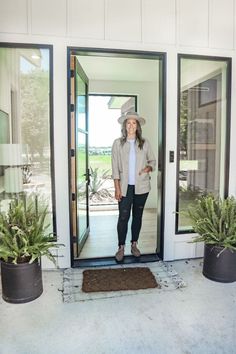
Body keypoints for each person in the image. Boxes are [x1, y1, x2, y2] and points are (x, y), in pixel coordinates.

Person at [112, 111, 156, 262]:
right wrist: (117, 188)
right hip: (124, 187)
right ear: (125, 126)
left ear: (137, 126)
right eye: (128, 123)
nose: (131, 126)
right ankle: (121, 247)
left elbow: (152, 162)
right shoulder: (118, 143)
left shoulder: (144, 143)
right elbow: (115, 168)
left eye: (134, 123)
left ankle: (134, 244)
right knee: (123, 217)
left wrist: (147, 169)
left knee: (138, 216)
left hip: (142, 187)